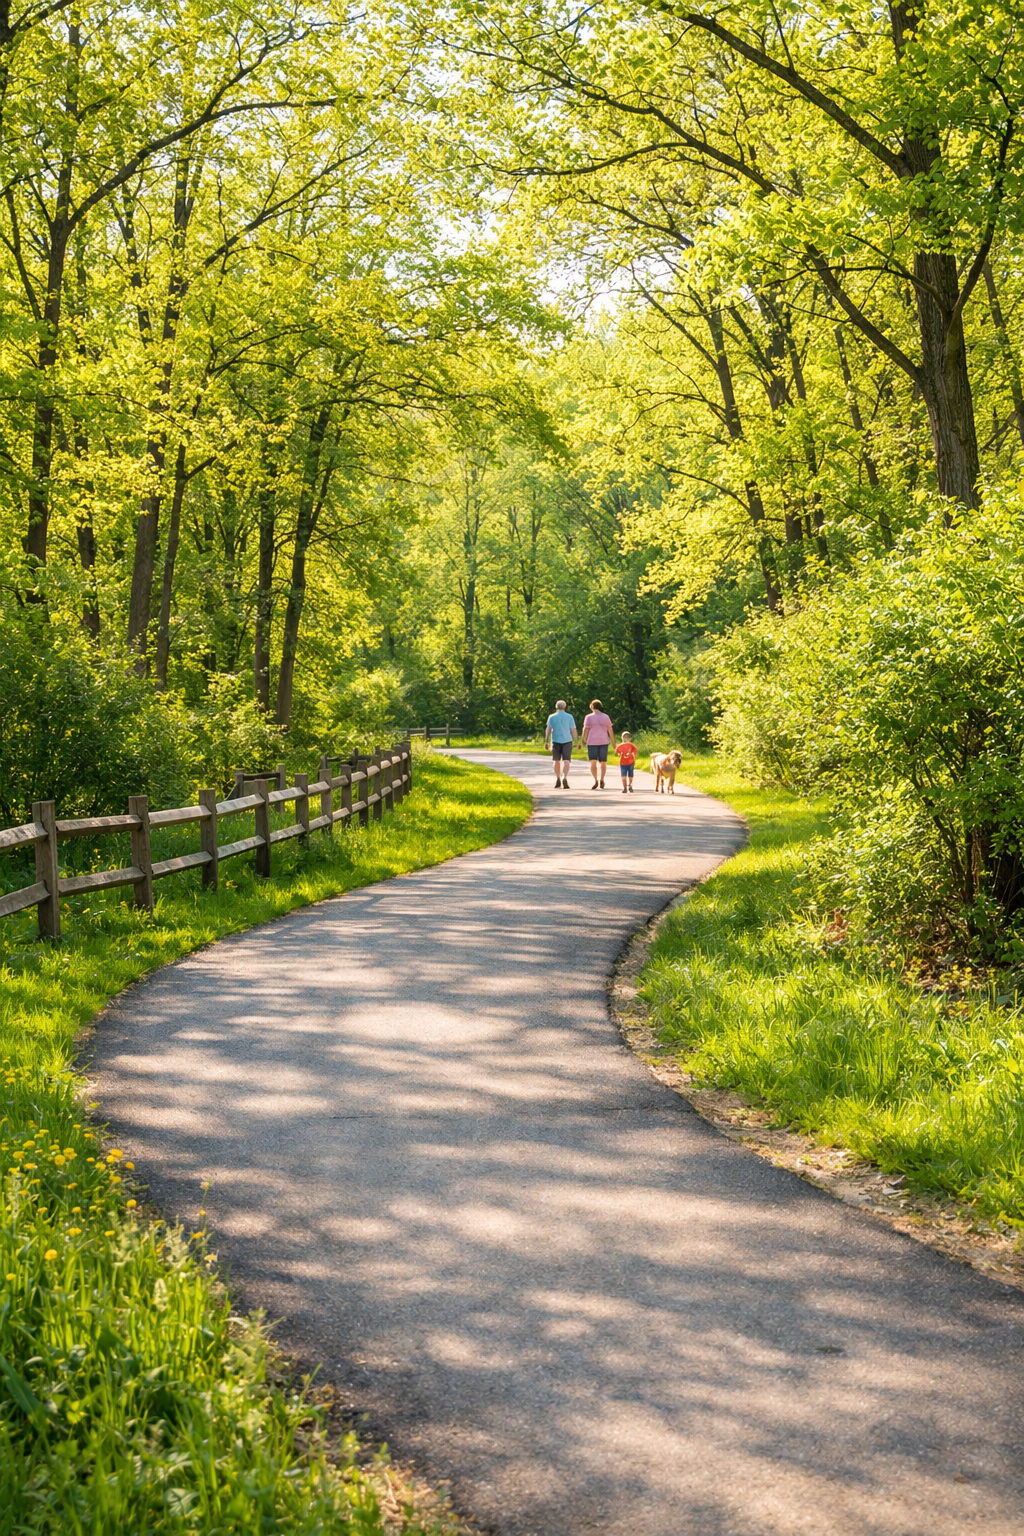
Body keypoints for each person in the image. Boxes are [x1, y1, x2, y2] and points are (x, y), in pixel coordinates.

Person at [581, 698, 615, 788]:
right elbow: (610, 730)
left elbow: (585, 730)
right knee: (603, 762)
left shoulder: (588, 717)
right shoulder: (606, 717)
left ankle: (595, 780)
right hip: (603, 741)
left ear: (592, 707)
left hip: (591, 742)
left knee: (593, 762)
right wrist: (614, 743)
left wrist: (582, 740)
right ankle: (602, 779)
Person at [544, 699, 577, 788]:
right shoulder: (570, 717)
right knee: (567, 761)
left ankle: (558, 778)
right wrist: (577, 740)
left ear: (556, 707)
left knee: (556, 761)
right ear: (565, 707)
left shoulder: (552, 717)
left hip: (556, 740)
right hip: (567, 740)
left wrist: (546, 740)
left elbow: (548, 729)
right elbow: (573, 729)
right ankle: (564, 777)